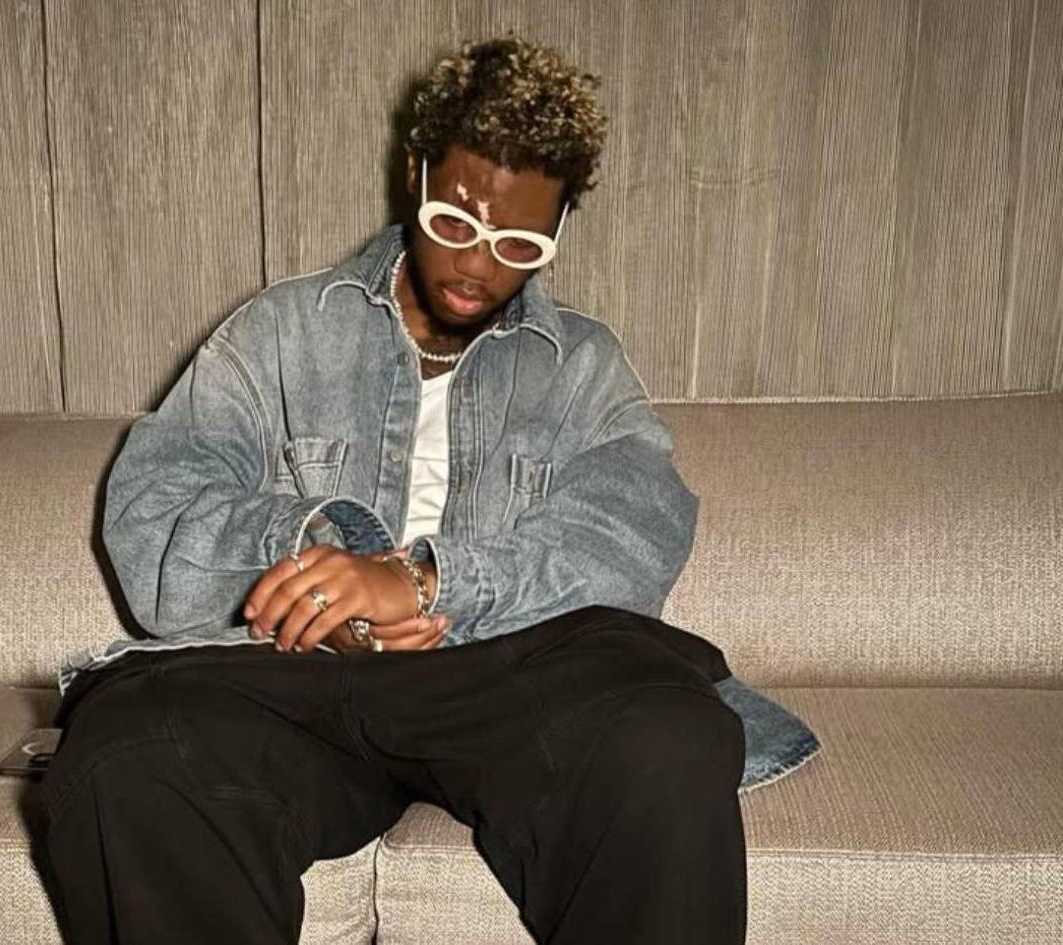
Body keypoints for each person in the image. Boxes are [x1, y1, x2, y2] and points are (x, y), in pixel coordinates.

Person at [41, 36, 750, 944]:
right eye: (455, 223)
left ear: (561, 226)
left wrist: (422, 580)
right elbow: (155, 507)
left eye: (519, 242)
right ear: (416, 176)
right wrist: (316, 575)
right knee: (131, 751)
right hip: (295, 683)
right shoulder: (283, 331)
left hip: (506, 682)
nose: (478, 266)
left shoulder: (582, 366)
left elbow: (632, 528)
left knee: (664, 736)